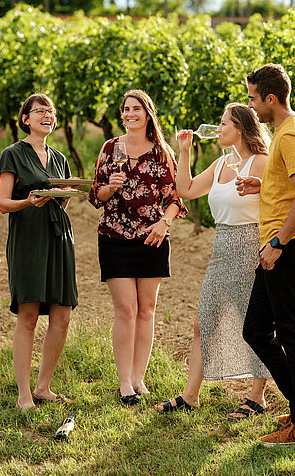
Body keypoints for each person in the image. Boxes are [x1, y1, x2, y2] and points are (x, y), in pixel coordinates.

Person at [155, 103, 272, 418]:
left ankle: (257, 396)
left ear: (240, 128)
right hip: (221, 249)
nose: (218, 129)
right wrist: (184, 152)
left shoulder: (261, 162)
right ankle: (190, 396)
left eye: (223, 124)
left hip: (250, 247)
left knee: (254, 324)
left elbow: (279, 198)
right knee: (203, 320)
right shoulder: (221, 163)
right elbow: (185, 190)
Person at [236, 64, 295, 446]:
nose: (251, 106)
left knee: (290, 332)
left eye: (253, 98)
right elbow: (291, 187)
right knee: (256, 330)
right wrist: (263, 183)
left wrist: (278, 244)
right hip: (278, 244)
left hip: (286, 244)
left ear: (270, 99)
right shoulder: (286, 131)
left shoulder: (288, 134)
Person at [89, 89, 188, 405]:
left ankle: (138, 378)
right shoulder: (110, 148)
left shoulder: (161, 153)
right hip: (114, 237)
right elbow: (95, 195)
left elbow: (174, 198)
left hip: (151, 238)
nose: (129, 114)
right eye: (126, 109)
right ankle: (124, 384)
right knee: (126, 309)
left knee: (147, 310)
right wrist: (110, 188)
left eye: (136, 109)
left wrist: (164, 223)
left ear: (147, 114)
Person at [0, 93, 78, 411]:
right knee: (28, 316)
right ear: (25, 118)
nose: (47, 116)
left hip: (59, 237)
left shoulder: (59, 158)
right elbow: (3, 203)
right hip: (28, 239)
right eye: (40, 111)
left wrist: (64, 195)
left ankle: (43, 387)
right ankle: (24, 395)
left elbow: (62, 200)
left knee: (63, 315)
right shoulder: (12, 154)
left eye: (51, 111)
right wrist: (28, 201)